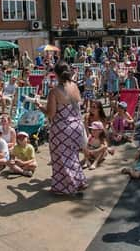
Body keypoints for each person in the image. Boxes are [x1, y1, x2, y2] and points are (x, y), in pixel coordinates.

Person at [44, 60, 88, 195]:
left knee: (59, 158)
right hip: (77, 126)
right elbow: (78, 105)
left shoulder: (54, 91)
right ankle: (79, 182)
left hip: (62, 128)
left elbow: (51, 114)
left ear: (56, 74)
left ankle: (64, 187)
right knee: (72, 156)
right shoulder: (74, 86)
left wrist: (41, 108)